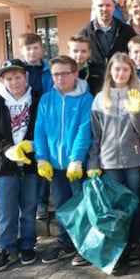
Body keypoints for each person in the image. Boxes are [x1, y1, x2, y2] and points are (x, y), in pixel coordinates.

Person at [87, 52, 140, 268]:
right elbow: (96, 135)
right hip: (108, 161)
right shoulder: (100, 98)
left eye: (125, 69)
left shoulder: (139, 95)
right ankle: (118, 245)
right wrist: (93, 162)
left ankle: (134, 244)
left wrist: (136, 112)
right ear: (110, 72)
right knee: (115, 206)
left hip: (133, 158)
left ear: (131, 71)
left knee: (133, 202)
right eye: (117, 69)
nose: (121, 73)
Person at [0, 59, 41, 272]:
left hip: (31, 165)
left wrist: (34, 144)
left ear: (25, 77)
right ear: (3, 81)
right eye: (8, 78)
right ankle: (8, 247)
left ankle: (27, 245)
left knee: (29, 206)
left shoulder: (37, 99)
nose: (14, 81)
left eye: (17, 77)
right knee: (6, 209)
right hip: (5, 165)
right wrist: (6, 148)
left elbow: (43, 127)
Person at [34, 55, 93, 265]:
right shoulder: (46, 99)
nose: (60, 78)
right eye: (56, 74)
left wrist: (77, 159)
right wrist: (41, 158)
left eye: (65, 73)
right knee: (61, 206)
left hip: (76, 166)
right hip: (55, 167)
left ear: (75, 73)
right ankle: (65, 244)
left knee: (81, 206)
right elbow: (39, 131)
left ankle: (84, 246)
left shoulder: (86, 99)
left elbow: (84, 131)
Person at [17, 33, 53, 221]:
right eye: (28, 48)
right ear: (22, 50)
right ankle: (26, 202)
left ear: (42, 49)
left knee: (43, 159)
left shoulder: (49, 69)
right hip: (24, 121)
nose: (32, 52)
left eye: (35, 47)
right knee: (27, 164)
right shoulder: (19, 70)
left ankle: (42, 202)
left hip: (45, 119)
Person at [79, 0, 137, 95]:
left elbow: (134, 57)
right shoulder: (84, 33)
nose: (105, 8)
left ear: (113, 8)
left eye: (108, 5)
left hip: (122, 86)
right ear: (94, 8)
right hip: (95, 88)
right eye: (100, 5)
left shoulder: (126, 31)